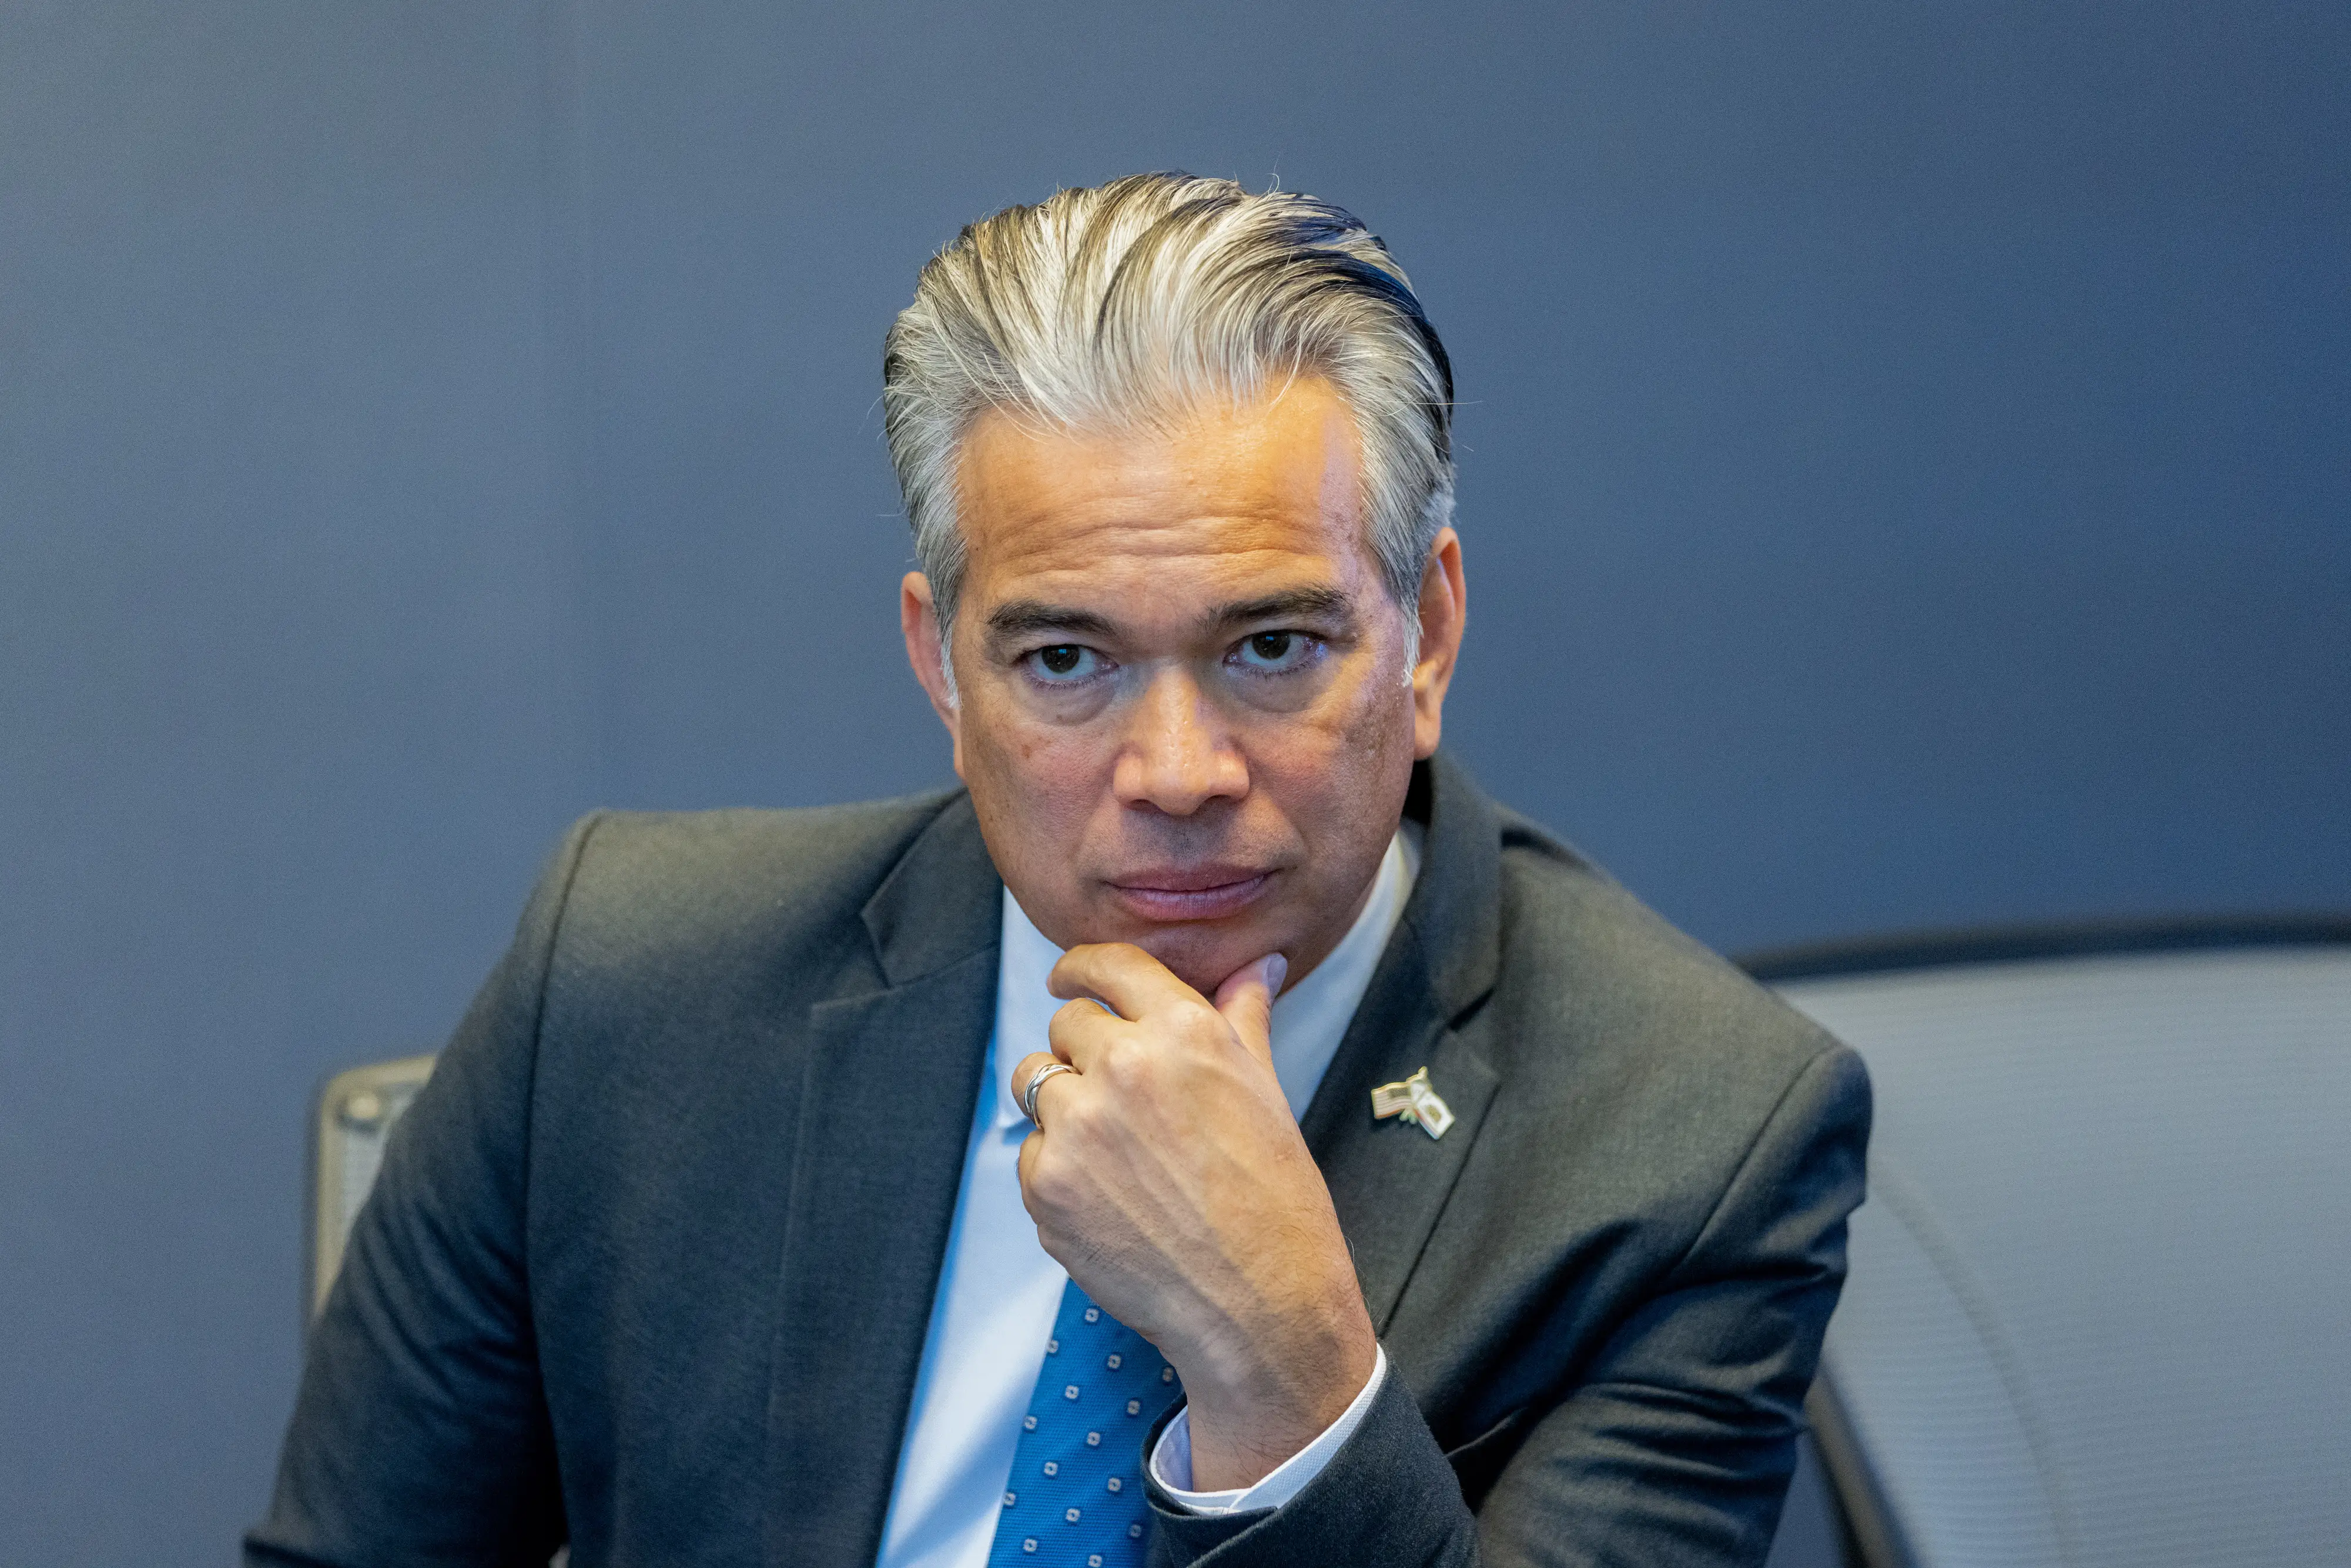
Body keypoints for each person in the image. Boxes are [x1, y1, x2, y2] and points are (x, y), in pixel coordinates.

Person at [247, 173, 1868, 1568]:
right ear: (942, 668)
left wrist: (1285, 1377)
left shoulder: (1697, 1140)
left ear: (1426, 632)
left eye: (1274, 645)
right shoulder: (623, 986)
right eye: (1066, 662)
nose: (1175, 775)